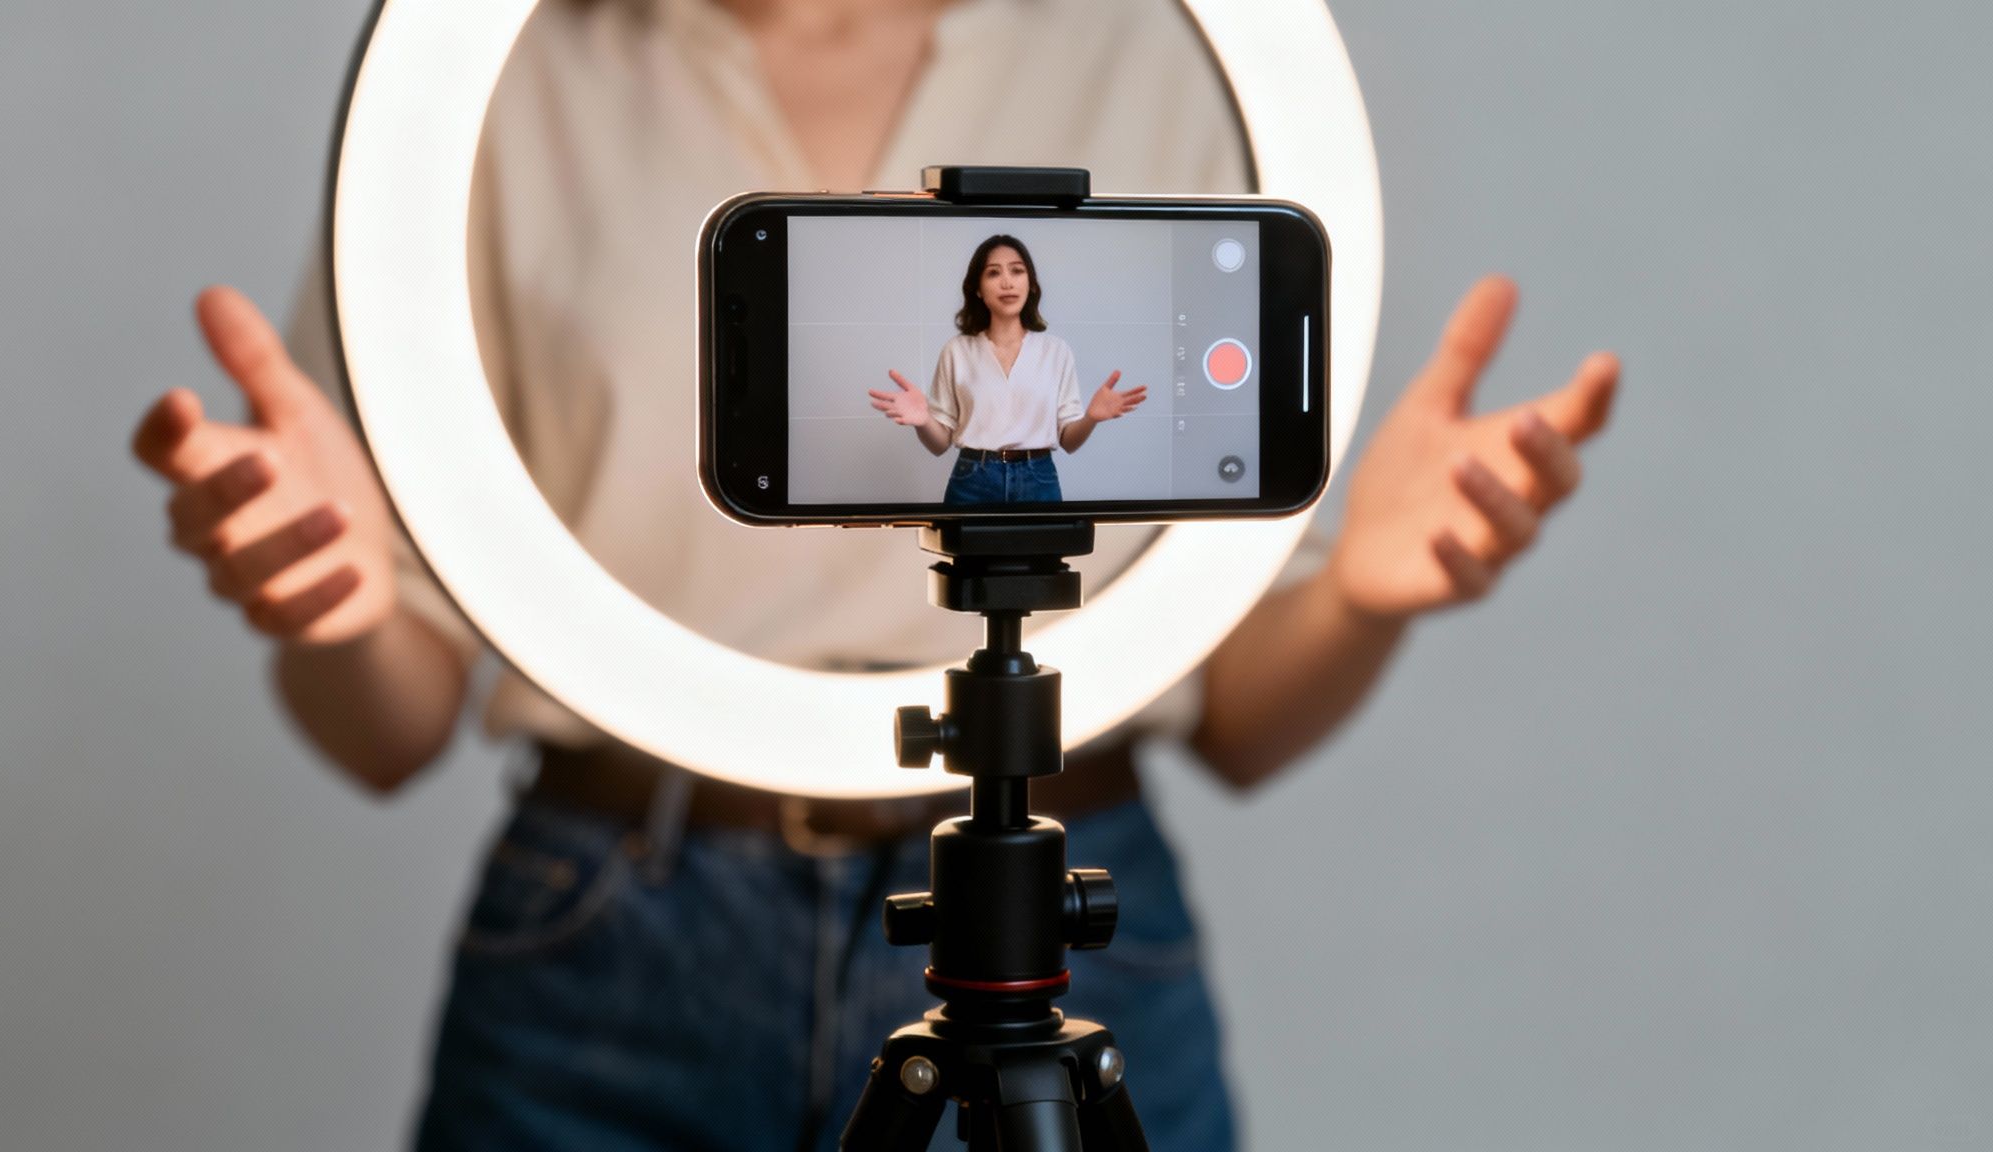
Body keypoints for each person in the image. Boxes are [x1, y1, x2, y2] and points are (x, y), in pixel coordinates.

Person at [128, 0, 1620, 1148]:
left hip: (1069, 903)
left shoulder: (1167, 50)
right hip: (610, 927)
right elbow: (384, 731)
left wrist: (1361, 589)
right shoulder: (491, 85)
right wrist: (328, 601)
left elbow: (1233, 711)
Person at [870, 233, 1147, 504]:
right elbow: (939, 444)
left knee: (1042, 552)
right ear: (977, 288)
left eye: (1017, 271)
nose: (1007, 283)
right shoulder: (957, 350)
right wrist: (923, 422)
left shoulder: (1056, 351)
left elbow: (1069, 442)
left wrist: (1091, 418)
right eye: (993, 273)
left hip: (1038, 478)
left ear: (1031, 284)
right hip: (972, 480)